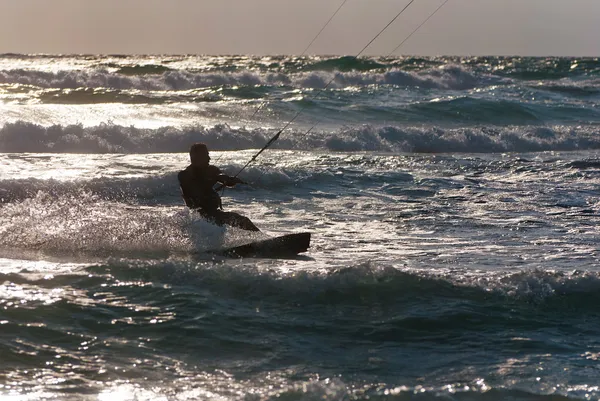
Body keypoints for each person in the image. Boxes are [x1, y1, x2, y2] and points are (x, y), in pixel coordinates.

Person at [178, 143, 260, 231]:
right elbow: (196, 189)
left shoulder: (212, 170)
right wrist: (214, 178)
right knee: (243, 221)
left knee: (244, 221)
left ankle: (263, 241)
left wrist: (229, 180)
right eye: (206, 155)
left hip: (215, 214)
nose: (209, 158)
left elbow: (221, 177)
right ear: (195, 157)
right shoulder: (184, 175)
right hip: (199, 217)